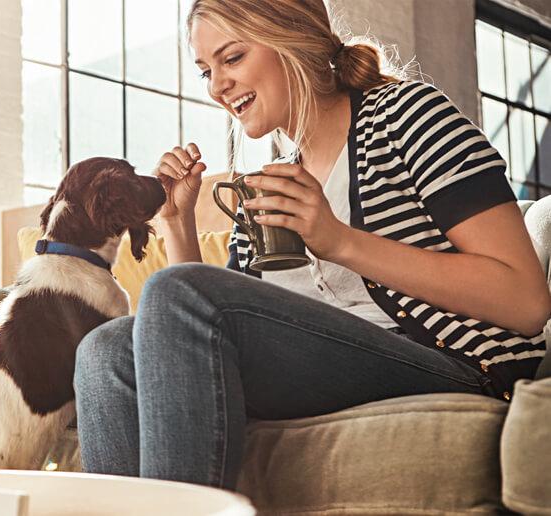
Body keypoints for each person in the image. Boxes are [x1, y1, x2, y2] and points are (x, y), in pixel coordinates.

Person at [73, 0, 551, 490]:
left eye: (232, 58)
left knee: (176, 297)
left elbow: (525, 301)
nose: (217, 86)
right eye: (205, 71)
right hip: (325, 371)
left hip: (456, 363)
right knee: (104, 350)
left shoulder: (408, 116)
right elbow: (208, 331)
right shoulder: (264, 188)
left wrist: (340, 241)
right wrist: (177, 224)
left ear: (292, 38)